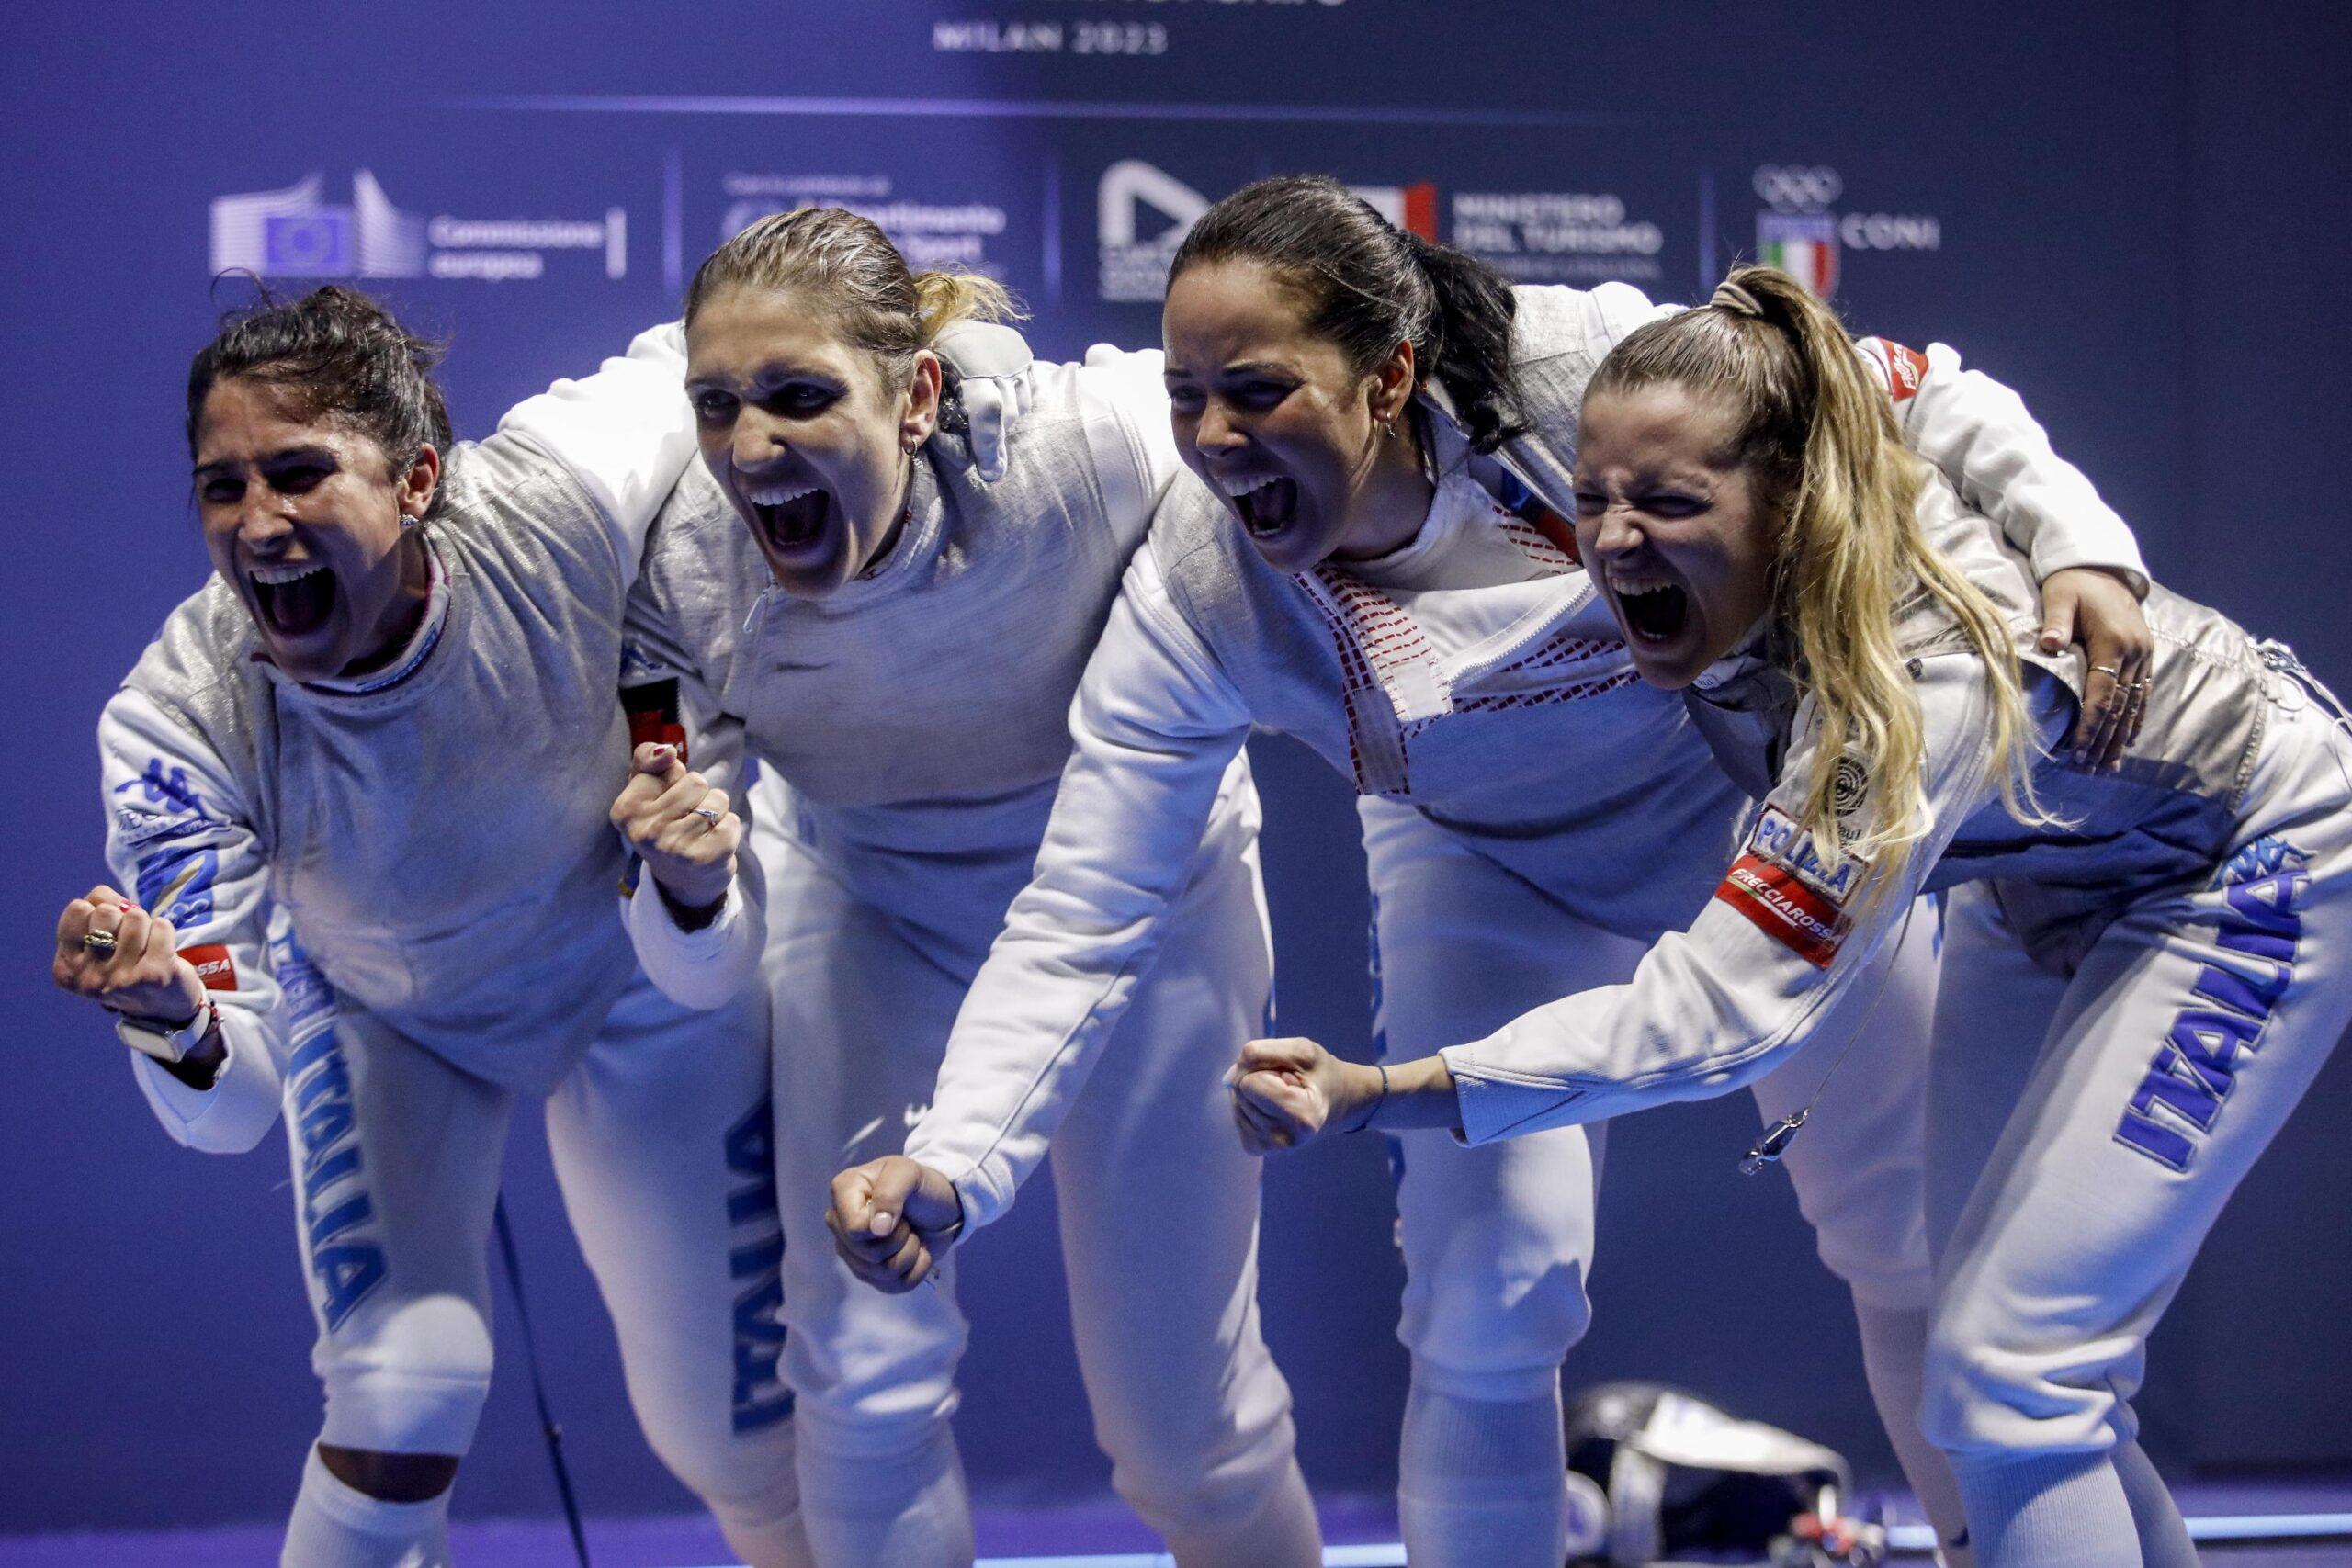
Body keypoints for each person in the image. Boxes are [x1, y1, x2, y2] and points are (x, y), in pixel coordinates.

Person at [826, 175, 2156, 1567]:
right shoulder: (1200, 600)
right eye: (1187, 397)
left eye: (1261, 390)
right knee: (1484, 1298)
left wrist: (2080, 546)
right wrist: (959, 1160)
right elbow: (1083, 911)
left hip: (1748, 812)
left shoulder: (1578, 366)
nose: (1215, 441)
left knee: (1908, 1238)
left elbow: (1908, 388)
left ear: (1391, 373)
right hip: (1483, 873)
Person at [1231, 264, 2352, 1568]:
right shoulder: (1786, 412)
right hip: (2031, 877)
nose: (1612, 540)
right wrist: (2082, 537)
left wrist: (1386, 1088)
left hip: (2245, 861)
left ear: (1788, 502)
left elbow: (1713, 1019)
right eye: (1592, 499)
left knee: (2014, 1381)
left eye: (1669, 503)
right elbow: (1924, 379)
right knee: (1995, 1370)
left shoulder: (1900, 699)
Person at [49, 288, 805, 1568]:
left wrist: (955, 355)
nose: (258, 525)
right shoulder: (179, 722)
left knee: (736, 1433)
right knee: (404, 1389)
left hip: (629, 980)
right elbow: (231, 1107)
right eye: (222, 488)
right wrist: (173, 1017)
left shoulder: (554, 502)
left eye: (298, 474)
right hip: (393, 1019)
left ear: (417, 483)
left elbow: (721, 340)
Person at [615, 208, 1319, 1568]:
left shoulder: (1091, 447)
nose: (751, 452)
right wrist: (692, 895)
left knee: (1188, 1427)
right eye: (718, 406)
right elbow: (698, 960)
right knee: (863, 1382)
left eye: (801, 397)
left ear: (921, 392)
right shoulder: (679, 569)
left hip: (1150, 904)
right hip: (867, 908)